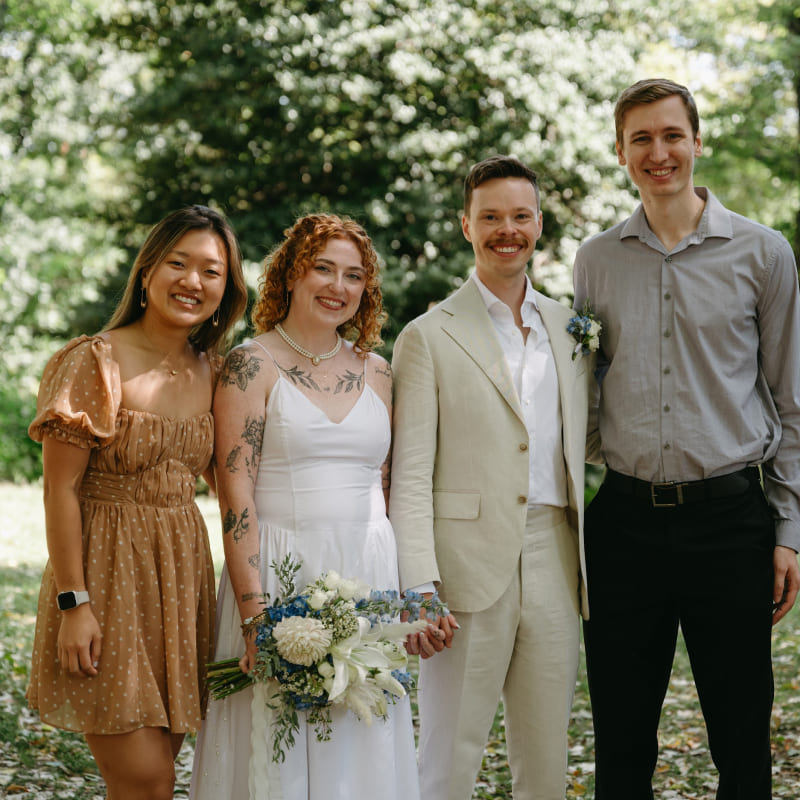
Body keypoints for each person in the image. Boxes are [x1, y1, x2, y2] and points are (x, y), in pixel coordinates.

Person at [573, 78, 800, 799]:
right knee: (622, 738)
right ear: (620, 152)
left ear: (697, 142)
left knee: (740, 739)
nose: (659, 152)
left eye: (672, 135)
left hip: (730, 523)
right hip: (625, 522)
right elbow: (582, 391)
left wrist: (789, 530)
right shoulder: (595, 261)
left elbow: (794, 401)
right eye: (641, 138)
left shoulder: (763, 255)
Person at [189, 213, 423, 800]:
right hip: (280, 569)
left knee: (361, 732)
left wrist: (413, 591)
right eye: (323, 268)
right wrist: (253, 613)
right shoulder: (252, 364)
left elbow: (392, 491)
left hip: (369, 575)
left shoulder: (380, 372)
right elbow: (235, 496)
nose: (337, 287)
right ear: (292, 274)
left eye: (353, 276)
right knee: (278, 737)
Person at [26, 205, 248, 800]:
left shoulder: (215, 372)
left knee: (148, 784)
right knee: (146, 781)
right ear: (147, 271)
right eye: (178, 263)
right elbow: (59, 489)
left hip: (179, 584)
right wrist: (76, 603)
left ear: (227, 289)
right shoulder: (94, 360)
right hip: (104, 578)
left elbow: (234, 488)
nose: (193, 281)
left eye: (212, 271)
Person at [390, 155, 594, 800]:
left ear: (539, 223)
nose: (507, 229)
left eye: (520, 216)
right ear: (466, 225)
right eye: (491, 217)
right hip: (462, 569)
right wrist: (419, 583)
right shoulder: (427, 336)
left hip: (555, 556)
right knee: (450, 755)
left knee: (545, 757)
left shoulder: (571, 328)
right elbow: (412, 471)